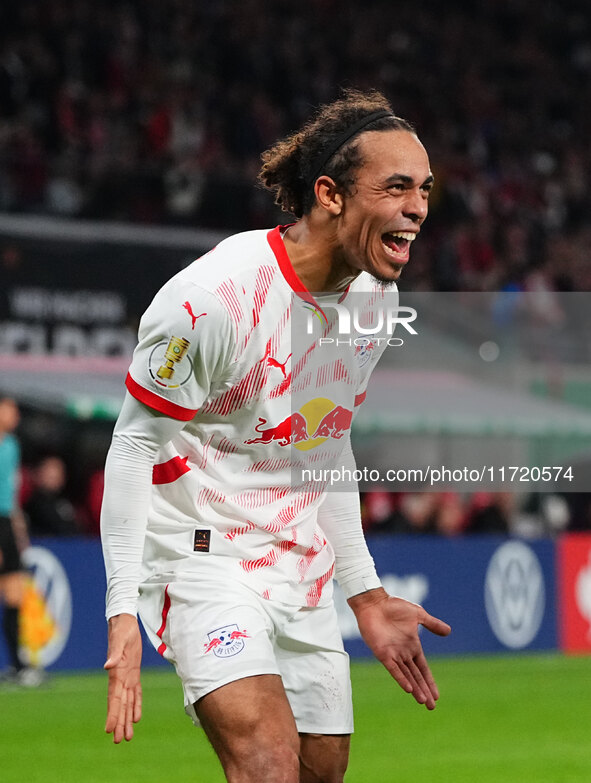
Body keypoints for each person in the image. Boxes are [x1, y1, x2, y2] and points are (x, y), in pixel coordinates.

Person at [100, 89, 451, 781]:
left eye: (425, 189)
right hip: (203, 557)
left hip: (300, 564)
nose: (417, 207)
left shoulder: (374, 301)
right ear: (329, 194)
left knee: (320, 772)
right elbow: (135, 444)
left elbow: (323, 443)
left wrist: (364, 593)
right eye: (397, 186)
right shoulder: (211, 301)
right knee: (267, 767)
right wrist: (121, 615)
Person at [0, 395, 42, 686]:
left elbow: (11, 495)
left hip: (6, 524)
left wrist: (18, 533)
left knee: (15, 595)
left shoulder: (12, 446)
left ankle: (18, 666)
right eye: (9, 409)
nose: (14, 415)